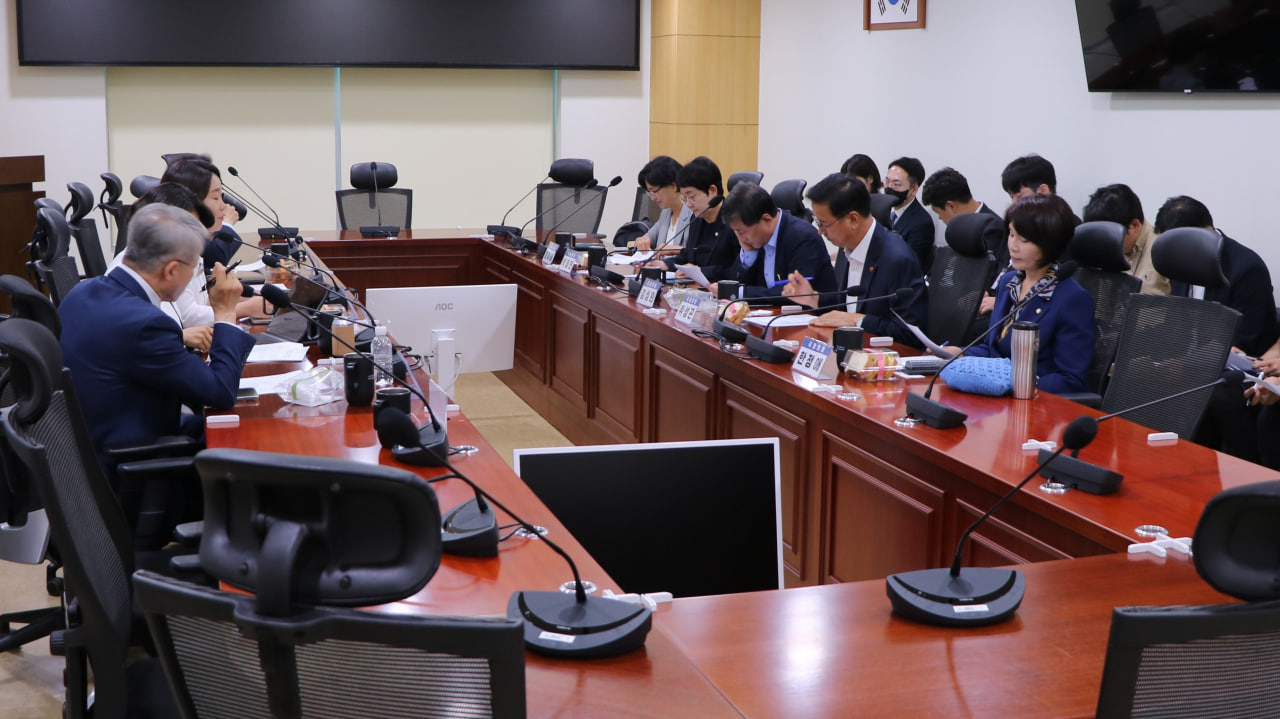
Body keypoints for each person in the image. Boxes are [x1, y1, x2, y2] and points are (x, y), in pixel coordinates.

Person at [59, 203, 256, 474]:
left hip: (89, 452)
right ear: (171, 270)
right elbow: (221, 392)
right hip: (131, 466)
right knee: (250, 442)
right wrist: (224, 312)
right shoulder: (146, 325)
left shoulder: (82, 291)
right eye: (195, 267)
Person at [957, 194, 1095, 394]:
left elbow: (1071, 380)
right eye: (1012, 234)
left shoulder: (1072, 299)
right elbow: (993, 349)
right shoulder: (1008, 282)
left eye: (1024, 240)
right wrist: (961, 354)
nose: (1013, 246)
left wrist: (1014, 383)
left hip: (1035, 401)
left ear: (1050, 244)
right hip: (996, 394)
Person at [782, 173, 928, 347]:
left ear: (853, 219)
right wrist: (812, 298)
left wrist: (857, 320)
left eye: (824, 224)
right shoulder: (848, 246)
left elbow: (911, 335)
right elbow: (849, 305)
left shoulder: (897, 259)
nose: (820, 232)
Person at [713, 183, 836, 302]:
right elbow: (736, 280)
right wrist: (748, 254)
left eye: (741, 231)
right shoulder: (758, 239)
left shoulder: (803, 237)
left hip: (813, 314)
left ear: (766, 219)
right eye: (735, 231)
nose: (740, 238)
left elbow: (794, 293)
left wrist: (738, 293)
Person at [650, 156, 737, 281]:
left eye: (691, 197)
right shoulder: (697, 220)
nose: (688, 204)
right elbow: (688, 256)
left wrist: (701, 271)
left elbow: (737, 271)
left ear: (712, 191)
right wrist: (665, 264)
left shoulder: (735, 223)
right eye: (685, 198)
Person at [1082, 184, 1169, 295]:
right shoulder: (1103, 251)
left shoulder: (1163, 251)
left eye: (1109, 236)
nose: (1104, 242)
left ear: (1135, 225)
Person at [161, 157, 244, 271]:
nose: (223, 206)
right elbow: (216, 257)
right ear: (189, 201)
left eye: (221, 197)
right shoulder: (174, 237)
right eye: (215, 198)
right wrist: (227, 225)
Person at [884, 157, 936, 274]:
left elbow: (910, 266)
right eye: (887, 182)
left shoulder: (922, 223)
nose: (889, 187)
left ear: (913, 189)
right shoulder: (880, 210)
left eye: (896, 184)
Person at [635, 155, 692, 252]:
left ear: (673, 186)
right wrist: (642, 241)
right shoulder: (666, 213)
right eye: (650, 193)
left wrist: (676, 250)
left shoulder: (694, 213)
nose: (652, 198)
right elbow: (647, 238)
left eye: (654, 191)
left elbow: (700, 253)